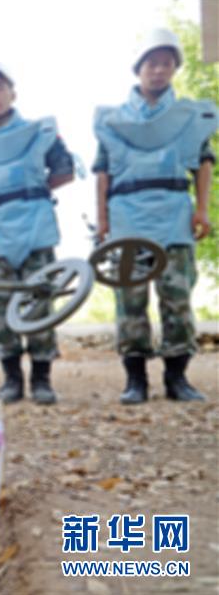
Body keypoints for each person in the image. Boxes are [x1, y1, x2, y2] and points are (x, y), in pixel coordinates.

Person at [93, 28, 216, 405]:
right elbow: (102, 171)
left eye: (166, 63)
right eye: (151, 62)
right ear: (139, 69)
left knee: (176, 298)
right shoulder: (114, 120)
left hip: (173, 215)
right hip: (127, 217)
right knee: (130, 300)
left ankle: (177, 378)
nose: (158, 70)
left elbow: (204, 163)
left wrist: (202, 210)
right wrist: (103, 220)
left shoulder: (189, 116)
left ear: (174, 69)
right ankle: (136, 381)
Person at [0, 61, 75, 405]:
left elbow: (65, 171)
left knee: (39, 305)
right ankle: (11, 379)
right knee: (1, 307)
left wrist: (31, 192)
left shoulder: (41, 132)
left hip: (36, 230)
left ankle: (41, 379)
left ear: (12, 93)